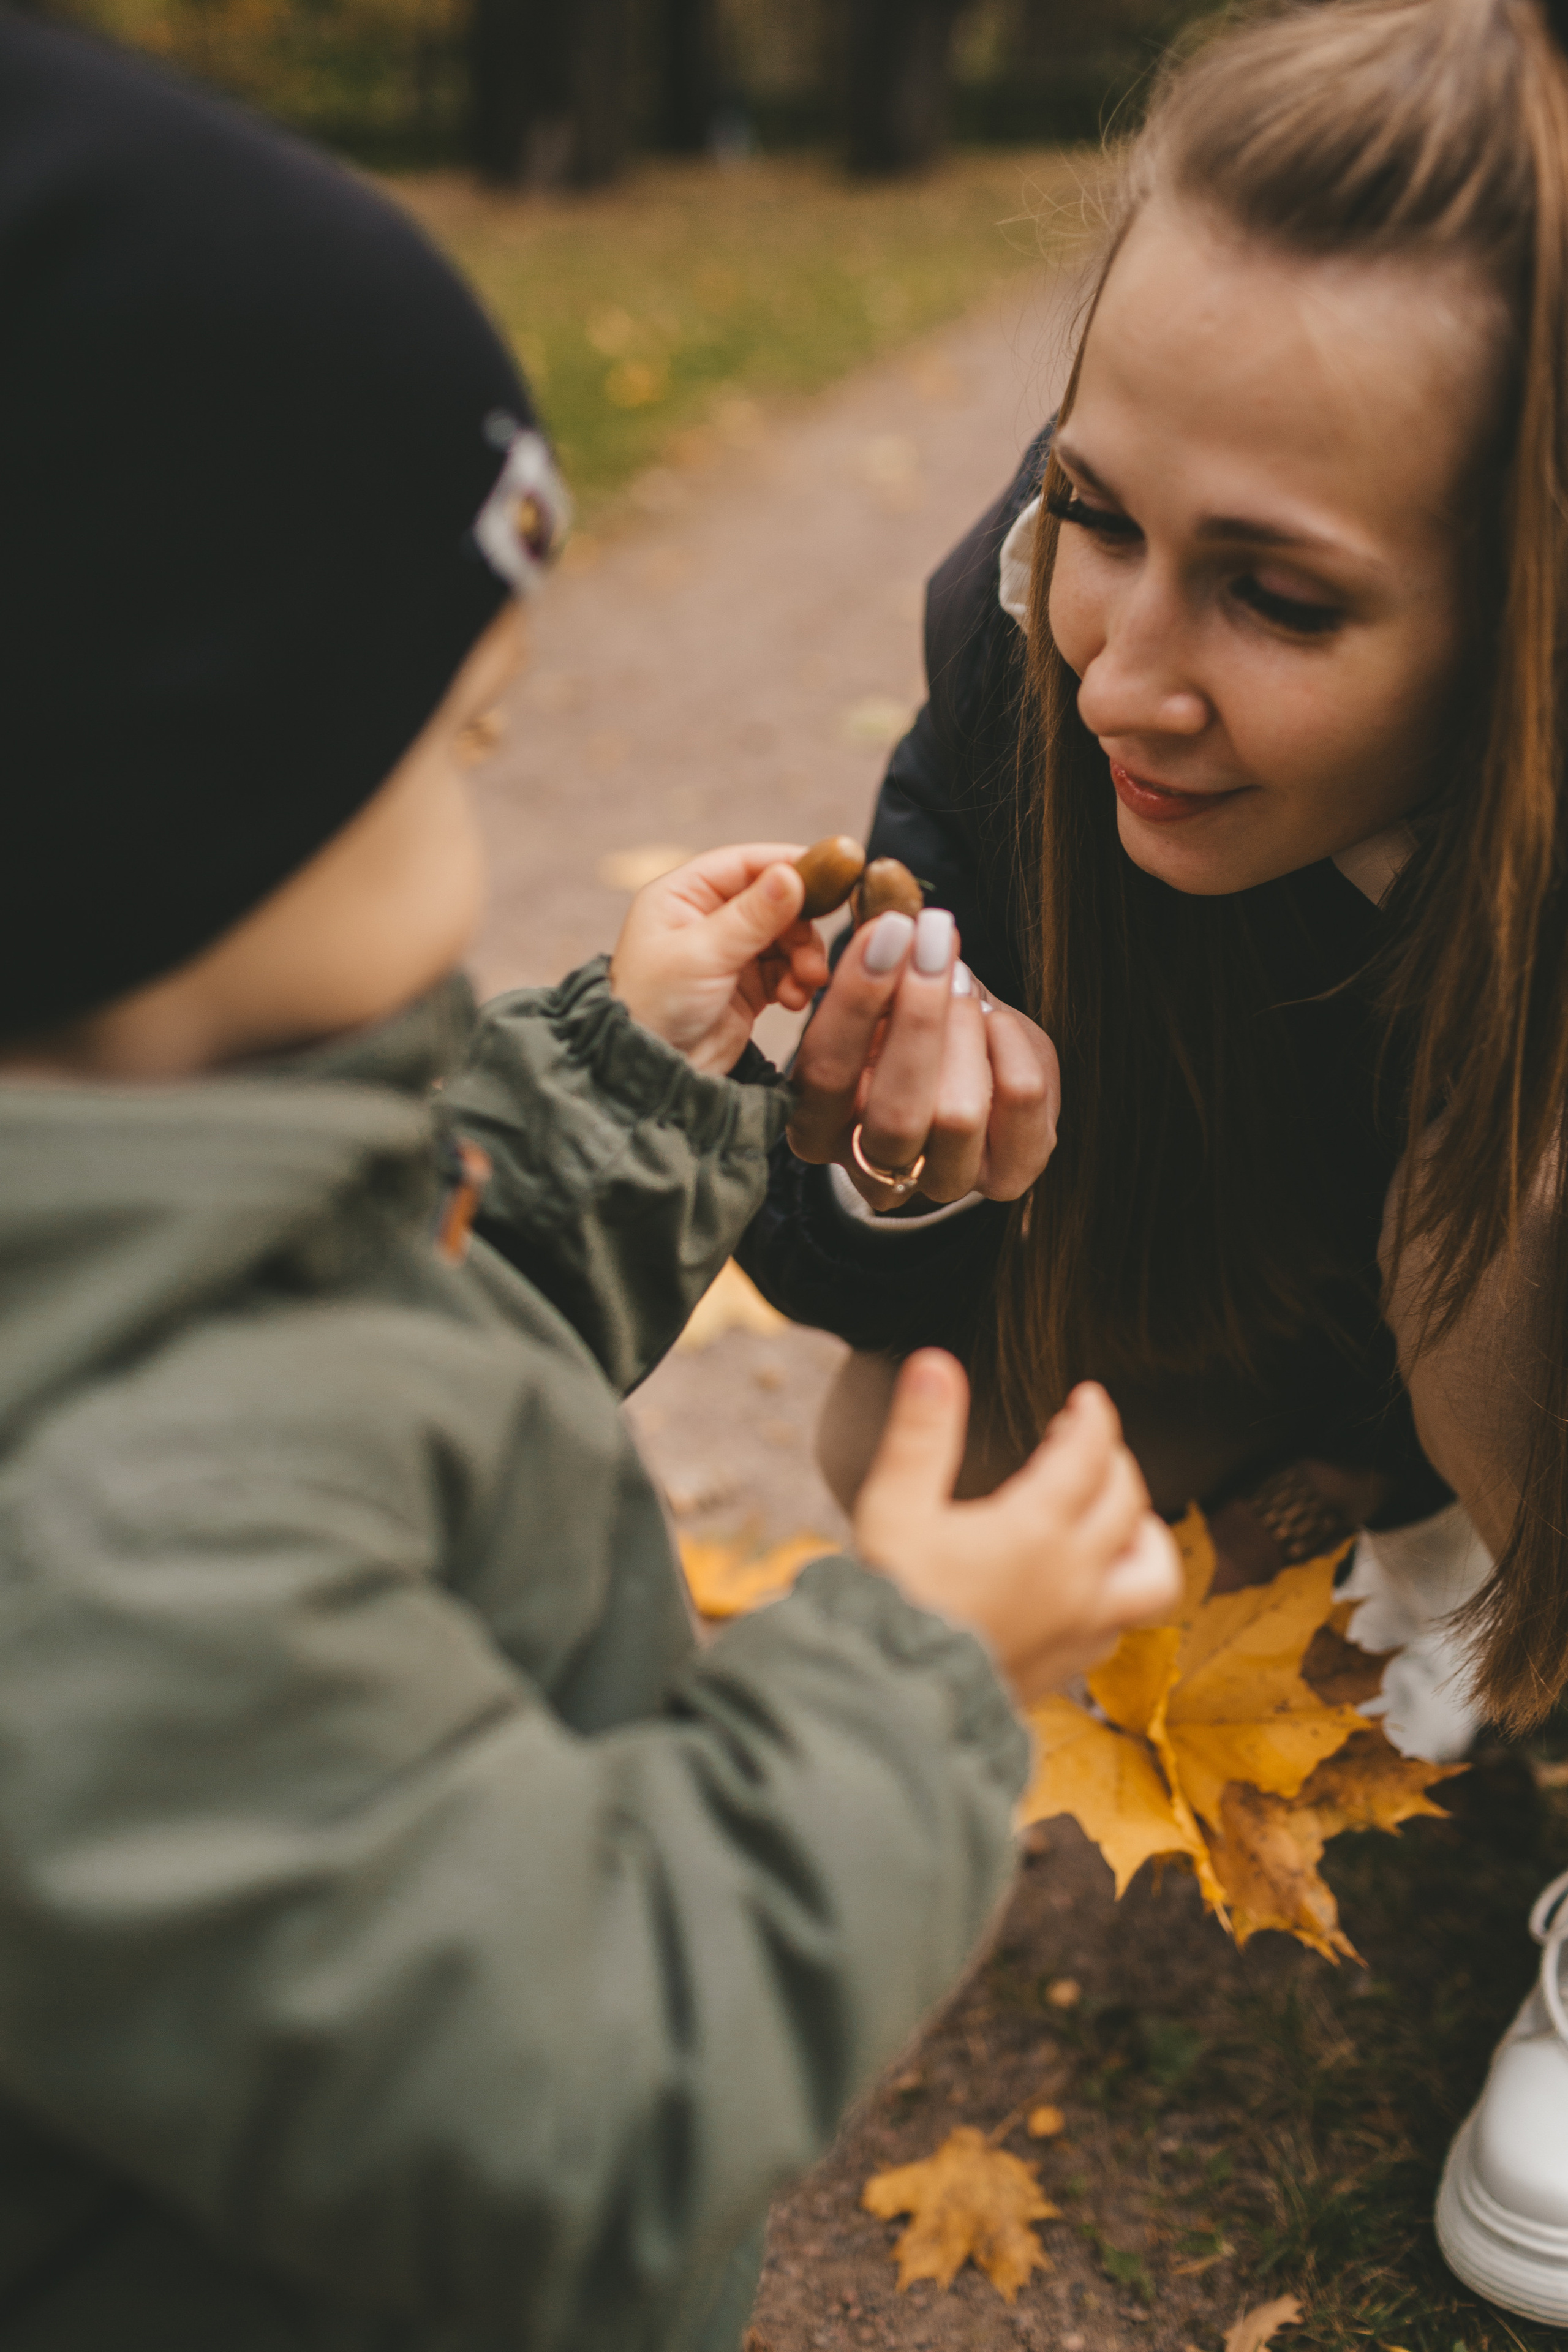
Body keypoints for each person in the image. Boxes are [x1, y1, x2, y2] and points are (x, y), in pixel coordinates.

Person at [0, 17, 1186, 2350]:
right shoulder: (119, 1563)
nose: (481, 824)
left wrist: (632, 1069)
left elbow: (400, 1304)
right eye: (456, 759)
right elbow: (573, 2088)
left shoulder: (137, 1201)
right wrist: (921, 1679)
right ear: (173, 824)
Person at [740, 0, 1568, 2324]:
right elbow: (862, 1314)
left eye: (1279, 595)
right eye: (1100, 510)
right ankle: (1433, 1553)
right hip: (1302, 1340)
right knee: (940, 1432)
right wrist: (899, 1157)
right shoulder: (1025, 647)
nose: (1123, 673)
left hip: (1489, 1277)